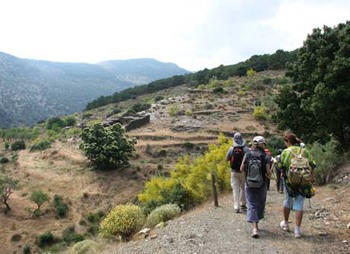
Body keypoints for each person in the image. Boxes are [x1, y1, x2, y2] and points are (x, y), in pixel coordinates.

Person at [278, 133, 316, 238]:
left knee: (287, 201)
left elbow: (280, 165)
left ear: (288, 142)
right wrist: (312, 177)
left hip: (289, 181)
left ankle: (285, 223)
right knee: (299, 205)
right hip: (304, 181)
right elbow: (313, 165)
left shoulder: (286, 152)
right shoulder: (305, 151)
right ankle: (297, 230)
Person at [240, 136, 271, 238]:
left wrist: (246, 178)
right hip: (261, 184)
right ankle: (256, 225)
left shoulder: (247, 154)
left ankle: (254, 227)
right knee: (260, 203)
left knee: (251, 204)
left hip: (249, 183)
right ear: (262, 145)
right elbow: (268, 173)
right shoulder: (265, 156)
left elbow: (242, 168)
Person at [226, 133, 249, 213]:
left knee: (235, 189)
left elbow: (226, 159)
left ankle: (236, 207)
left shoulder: (231, 149)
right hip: (243, 171)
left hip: (233, 171)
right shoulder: (246, 149)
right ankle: (243, 204)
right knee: (243, 187)